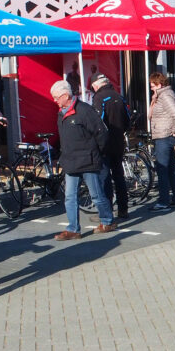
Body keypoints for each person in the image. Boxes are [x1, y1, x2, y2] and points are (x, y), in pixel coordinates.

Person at [50, 80, 115, 240]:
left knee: (96, 195)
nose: (55, 100)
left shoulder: (85, 111)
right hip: (71, 162)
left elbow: (101, 134)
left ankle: (107, 221)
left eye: (56, 97)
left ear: (66, 95)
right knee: (70, 197)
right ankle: (73, 229)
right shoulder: (61, 113)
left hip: (88, 161)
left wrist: (97, 153)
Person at [90, 74, 131, 219]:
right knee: (119, 176)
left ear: (96, 85)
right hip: (118, 142)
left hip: (104, 144)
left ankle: (107, 212)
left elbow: (98, 123)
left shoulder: (99, 98)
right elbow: (128, 120)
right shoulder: (119, 96)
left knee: (105, 177)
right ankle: (123, 209)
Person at [148, 72, 175, 210]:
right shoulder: (163, 95)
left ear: (159, 84)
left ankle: (164, 201)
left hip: (164, 135)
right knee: (170, 169)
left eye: (152, 85)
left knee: (162, 169)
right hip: (165, 134)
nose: (151, 88)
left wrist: (174, 130)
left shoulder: (164, 96)